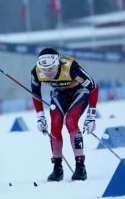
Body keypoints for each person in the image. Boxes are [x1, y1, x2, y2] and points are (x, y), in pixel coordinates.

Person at [30, 47, 99, 181]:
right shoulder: (36, 72)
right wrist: (40, 117)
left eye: (51, 68)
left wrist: (91, 116)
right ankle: (57, 168)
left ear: (58, 64)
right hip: (59, 93)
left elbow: (93, 87)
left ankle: (80, 167)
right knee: (55, 125)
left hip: (79, 91)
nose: (47, 73)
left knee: (70, 121)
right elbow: (35, 94)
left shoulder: (70, 68)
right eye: (44, 70)